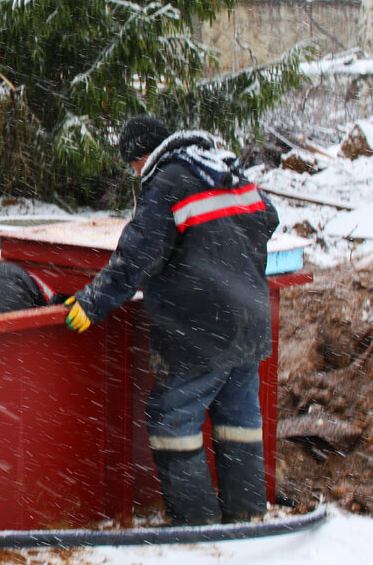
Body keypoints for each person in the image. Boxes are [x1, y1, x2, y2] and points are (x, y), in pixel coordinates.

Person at [62, 115, 279, 526]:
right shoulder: (224, 168)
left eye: (132, 165)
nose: (135, 172)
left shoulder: (166, 182)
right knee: (238, 415)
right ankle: (247, 513)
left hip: (202, 328)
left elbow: (137, 257)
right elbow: (268, 218)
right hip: (249, 317)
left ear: (141, 156)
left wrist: (91, 304)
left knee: (171, 416)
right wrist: (224, 255)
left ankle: (195, 524)